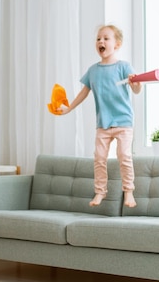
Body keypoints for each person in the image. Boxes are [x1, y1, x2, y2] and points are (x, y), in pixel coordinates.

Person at [59, 24, 141, 208]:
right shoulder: (93, 71)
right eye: (98, 39)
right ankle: (99, 192)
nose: (101, 41)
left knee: (124, 155)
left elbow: (135, 89)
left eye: (106, 38)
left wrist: (136, 82)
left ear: (117, 44)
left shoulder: (124, 66)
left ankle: (128, 192)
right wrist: (69, 108)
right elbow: (83, 93)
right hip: (103, 123)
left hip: (124, 121)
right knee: (99, 158)